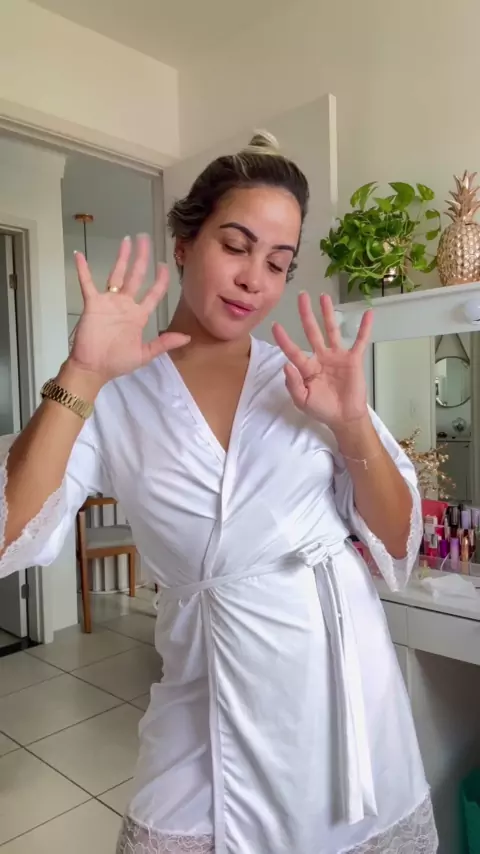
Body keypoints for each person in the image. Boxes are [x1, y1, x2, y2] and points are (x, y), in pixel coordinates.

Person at [0, 132, 437, 854]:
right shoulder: (115, 392)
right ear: (184, 244)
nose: (253, 280)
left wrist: (352, 422)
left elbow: (397, 547)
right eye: (236, 246)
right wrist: (81, 374)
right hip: (207, 700)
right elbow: (10, 534)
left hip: (345, 696)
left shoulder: (304, 380)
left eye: (278, 263)